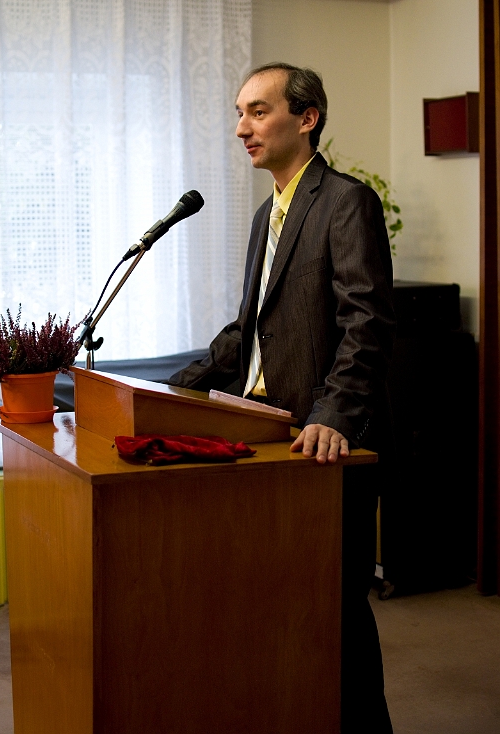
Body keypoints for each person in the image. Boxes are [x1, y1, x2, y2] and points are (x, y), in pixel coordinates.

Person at [168, 62, 395, 731]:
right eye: (239, 113)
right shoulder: (267, 213)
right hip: (261, 437)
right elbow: (248, 332)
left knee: (335, 614)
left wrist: (334, 416)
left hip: (319, 445)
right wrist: (166, 390)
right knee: (277, 615)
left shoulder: (346, 201)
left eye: (258, 111)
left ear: (307, 117)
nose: (242, 127)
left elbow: (366, 321)